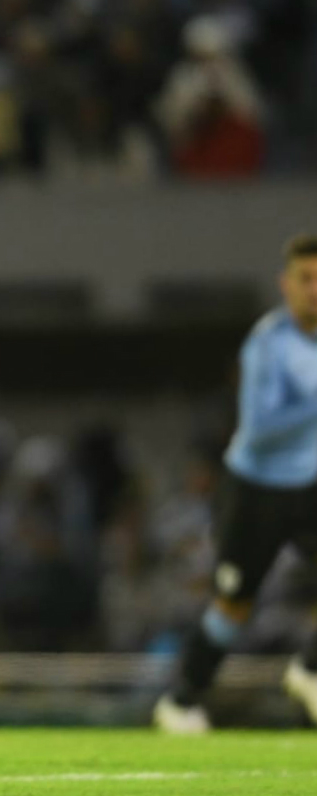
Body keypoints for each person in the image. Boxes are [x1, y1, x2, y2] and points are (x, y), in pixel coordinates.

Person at [155, 234, 317, 733]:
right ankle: (181, 701)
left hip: (311, 485)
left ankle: (309, 668)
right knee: (234, 603)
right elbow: (262, 426)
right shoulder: (268, 343)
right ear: (284, 284)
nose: (314, 290)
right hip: (256, 489)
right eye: (305, 279)